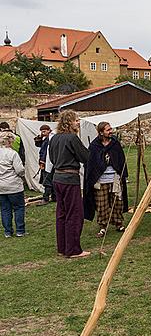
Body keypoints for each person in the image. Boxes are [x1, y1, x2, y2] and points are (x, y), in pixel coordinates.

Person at [49, 110, 90, 258]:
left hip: (57, 178)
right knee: (74, 214)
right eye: (76, 120)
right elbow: (85, 157)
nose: (78, 122)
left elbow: (52, 158)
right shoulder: (72, 138)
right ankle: (72, 249)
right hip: (69, 179)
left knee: (62, 213)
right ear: (69, 122)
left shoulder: (54, 138)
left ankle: (63, 247)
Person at [83, 121, 128, 237]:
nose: (111, 131)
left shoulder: (115, 144)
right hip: (100, 181)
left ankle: (119, 223)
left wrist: (122, 174)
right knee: (101, 205)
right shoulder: (94, 146)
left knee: (117, 203)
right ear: (101, 132)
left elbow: (121, 160)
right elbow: (91, 163)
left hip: (114, 179)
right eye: (108, 130)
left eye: (110, 129)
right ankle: (103, 226)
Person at [0, 131, 26, 237]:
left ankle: (7, 231)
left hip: (1, 185)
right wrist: (23, 175)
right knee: (18, 207)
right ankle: (20, 230)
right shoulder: (13, 153)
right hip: (13, 185)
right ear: (10, 141)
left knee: (5, 209)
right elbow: (19, 170)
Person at [34, 124, 56, 203]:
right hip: (47, 161)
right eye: (42, 132)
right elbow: (38, 144)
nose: (43, 133)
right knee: (51, 180)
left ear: (48, 130)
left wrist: (42, 162)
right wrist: (39, 137)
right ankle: (54, 197)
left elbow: (45, 152)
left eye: (44, 131)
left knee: (47, 181)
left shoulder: (50, 138)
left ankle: (46, 198)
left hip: (48, 162)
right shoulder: (45, 138)